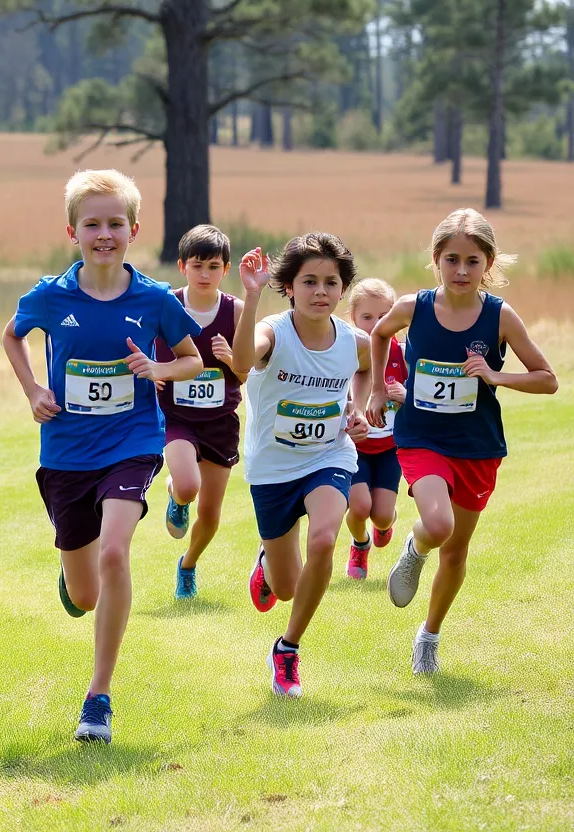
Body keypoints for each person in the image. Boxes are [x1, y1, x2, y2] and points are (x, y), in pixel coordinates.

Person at [3, 169, 202, 743]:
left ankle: (99, 696)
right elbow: (13, 335)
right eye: (92, 224)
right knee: (85, 594)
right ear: (73, 232)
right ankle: (74, 578)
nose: (105, 234)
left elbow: (191, 359)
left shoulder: (155, 299)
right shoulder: (50, 296)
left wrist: (158, 368)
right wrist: (33, 390)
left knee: (115, 551)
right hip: (66, 450)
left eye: (116, 223)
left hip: (132, 443)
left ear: (134, 229)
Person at [368, 209, 557, 674]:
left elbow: (547, 378)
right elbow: (378, 333)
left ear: (488, 263)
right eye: (451, 259)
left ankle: (428, 636)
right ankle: (415, 547)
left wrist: (495, 375)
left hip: (477, 446)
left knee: (454, 552)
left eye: (473, 261)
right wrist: (376, 389)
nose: (461, 270)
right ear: (436, 259)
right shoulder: (413, 308)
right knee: (438, 524)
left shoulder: (499, 316)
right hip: (422, 438)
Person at [231, 233, 371, 699]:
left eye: (331, 282)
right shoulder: (274, 332)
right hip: (272, 468)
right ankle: (268, 562)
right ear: (289, 287)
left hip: (329, 456)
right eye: (309, 281)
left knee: (324, 539)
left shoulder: (353, 341)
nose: (320, 291)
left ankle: (287, 648)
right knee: (287, 587)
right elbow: (241, 361)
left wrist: (357, 407)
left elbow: (368, 364)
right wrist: (251, 296)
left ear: (343, 289)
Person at [155, 225, 246, 599]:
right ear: (182, 267)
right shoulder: (166, 305)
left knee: (209, 516)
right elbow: (144, 348)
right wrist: (153, 373)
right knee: (188, 485)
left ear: (226, 269)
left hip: (220, 421)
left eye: (213, 266)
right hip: (176, 417)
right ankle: (177, 496)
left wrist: (232, 360)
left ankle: (188, 565)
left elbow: (248, 374)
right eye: (197, 266)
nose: (205, 274)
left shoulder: (236, 311)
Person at [343, 278, 405, 579]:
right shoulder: (344, 354)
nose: (376, 324)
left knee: (381, 515)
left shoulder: (405, 354)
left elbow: (423, 398)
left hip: (390, 449)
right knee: (359, 507)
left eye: (384, 316)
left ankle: (383, 523)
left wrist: (405, 396)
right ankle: (360, 543)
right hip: (354, 448)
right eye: (367, 317)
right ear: (353, 319)